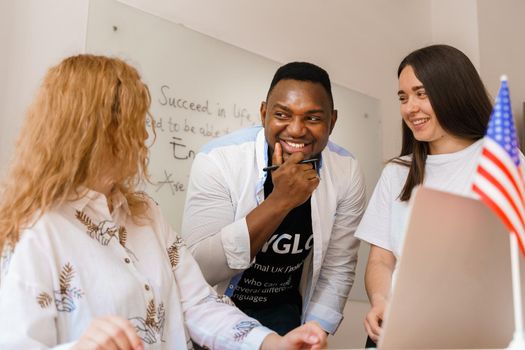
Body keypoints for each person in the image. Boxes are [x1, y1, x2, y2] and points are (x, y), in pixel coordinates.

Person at [0, 54, 328, 350]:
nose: (145, 137)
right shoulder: (33, 230)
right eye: (135, 124)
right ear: (94, 131)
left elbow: (198, 304)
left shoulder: (145, 214)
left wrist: (273, 343)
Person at [181, 61, 367, 336]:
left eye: (313, 118)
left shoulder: (346, 170)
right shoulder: (218, 160)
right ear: (264, 113)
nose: (296, 130)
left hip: (283, 313)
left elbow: (338, 267)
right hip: (217, 309)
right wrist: (280, 201)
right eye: (282, 114)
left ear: (333, 121)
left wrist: (315, 332)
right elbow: (202, 268)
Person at [354, 44, 493, 347]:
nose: (409, 108)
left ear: (453, 92)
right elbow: (380, 259)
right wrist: (380, 300)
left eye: (421, 93)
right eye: (403, 97)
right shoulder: (397, 172)